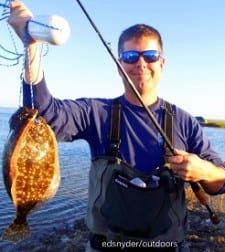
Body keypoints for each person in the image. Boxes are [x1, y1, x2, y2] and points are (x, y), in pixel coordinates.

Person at [8, 2, 225, 251]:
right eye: (131, 57)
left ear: (162, 63)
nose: (141, 64)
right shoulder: (96, 113)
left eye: (150, 56)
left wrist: (204, 171)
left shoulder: (185, 122)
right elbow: (44, 115)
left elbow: (221, 180)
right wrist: (31, 45)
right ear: (119, 65)